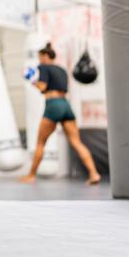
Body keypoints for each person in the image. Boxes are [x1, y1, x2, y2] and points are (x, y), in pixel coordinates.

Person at [20, 43, 101, 185]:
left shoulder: (43, 67)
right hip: (66, 105)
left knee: (40, 143)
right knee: (76, 142)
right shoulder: (62, 70)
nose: (39, 60)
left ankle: (31, 175)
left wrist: (32, 80)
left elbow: (43, 86)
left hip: (53, 105)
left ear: (45, 57)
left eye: (40, 57)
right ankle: (94, 174)